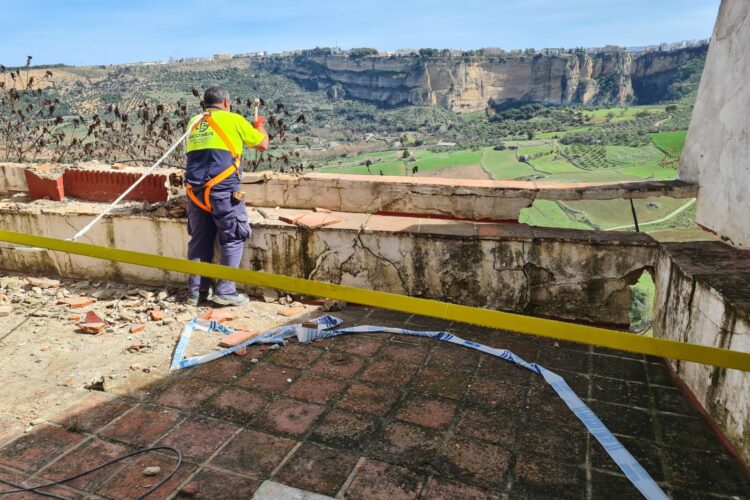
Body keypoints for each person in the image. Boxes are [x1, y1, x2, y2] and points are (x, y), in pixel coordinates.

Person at [184, 85, 269, 306]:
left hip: (195, 192)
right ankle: (226, 291)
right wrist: (259, 126)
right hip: (223, 190)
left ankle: (196, 292)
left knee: (200, 241)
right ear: (225, 103)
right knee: (233, 237)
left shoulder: (194, 122)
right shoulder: (234, 119)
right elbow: (262, 144)